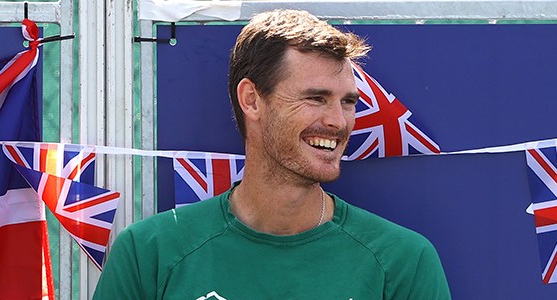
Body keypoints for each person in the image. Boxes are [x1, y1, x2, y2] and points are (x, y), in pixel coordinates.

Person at [94, 9, 451, 299]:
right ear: (251, 99)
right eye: (315, 98)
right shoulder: (149, 253)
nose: (338, 122)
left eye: (347, 102)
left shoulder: (403, 261)